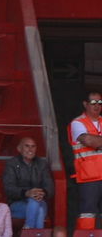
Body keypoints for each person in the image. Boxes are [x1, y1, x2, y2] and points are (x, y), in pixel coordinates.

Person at [3, 135, 54, 230]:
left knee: (35, 200)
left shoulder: (41, 164)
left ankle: (27, 229)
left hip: (39, 201)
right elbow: (8, 188)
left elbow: (49, 187)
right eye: (27, 146)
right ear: (19, 148)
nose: (30, 149)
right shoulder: (11, 164)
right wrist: (27, 193)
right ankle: (31, 230)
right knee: (40, 211)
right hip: (17, 204)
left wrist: (42, 193)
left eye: (33, 146)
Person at [71, 92, 102, 228]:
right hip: (88, 177)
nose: (97, 106)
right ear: (85, 104)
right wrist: (94, 142)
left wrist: (97, 142)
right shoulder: (77, 123)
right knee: (87, 214)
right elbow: (88, 140)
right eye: (93, 102)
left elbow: (94, 141)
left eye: (100, 102)